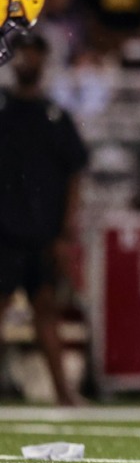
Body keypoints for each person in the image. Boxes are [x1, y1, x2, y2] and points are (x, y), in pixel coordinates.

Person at [0, 32, 88, 406]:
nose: (27, 61)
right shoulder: (2, 110)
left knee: (46, 313)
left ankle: (64, 394)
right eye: (22, 53)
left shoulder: (55, 116)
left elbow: (75, 172)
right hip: (2, 231)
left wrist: (66, 229)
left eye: (34, 54)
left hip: (41, 232)